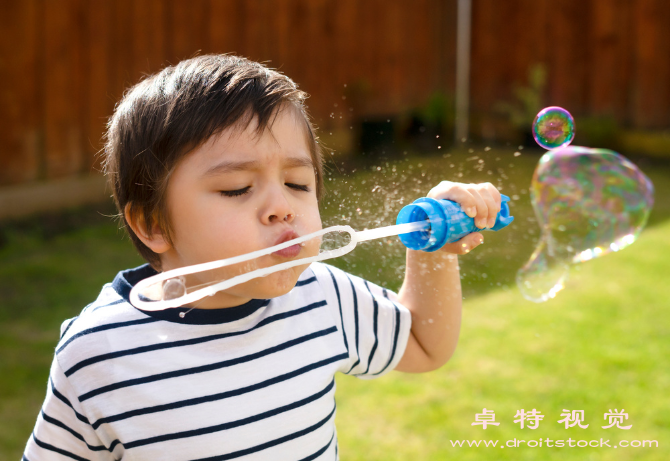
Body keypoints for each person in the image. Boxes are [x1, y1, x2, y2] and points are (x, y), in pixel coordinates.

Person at [24, 54, 501, 460]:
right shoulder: (98, 353)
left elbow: (422, 343)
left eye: (298, 183)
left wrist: (433, 246)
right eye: (237, 188)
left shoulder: (322, 296)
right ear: (152, 224)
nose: (282, 207)